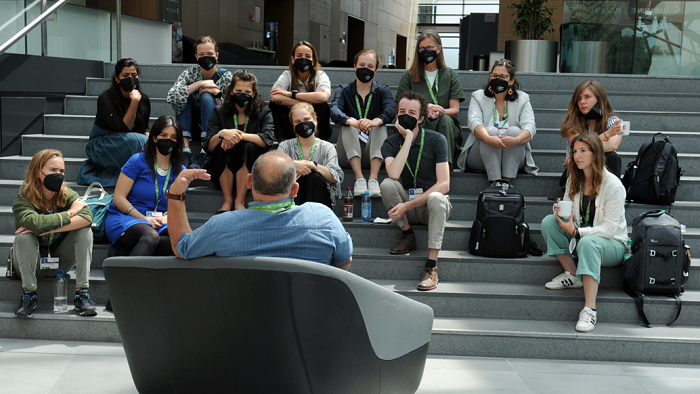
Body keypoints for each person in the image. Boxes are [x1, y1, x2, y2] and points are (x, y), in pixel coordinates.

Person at [166, 151, 353, 270]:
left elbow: (181, 247)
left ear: (249, 182)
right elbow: (344, 261)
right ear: (295, 190)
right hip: (309, 324)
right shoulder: (324, 219)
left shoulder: (221, 226)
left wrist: (175, 195)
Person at [541, 133, 628, 332]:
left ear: (595, 153)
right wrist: (561, 214)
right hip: (581, 235)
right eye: (574, 151)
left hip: (612, 243)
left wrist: (578, 232)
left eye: (583, 151)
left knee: (589, 243)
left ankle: (590, 310)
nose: (577, 156)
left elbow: (609, 229)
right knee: (548, 222)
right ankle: (573, 275)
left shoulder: (613, 185)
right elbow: (569, 214)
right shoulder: (574, 179)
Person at [12, 149, 97, 318]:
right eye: (53, 170)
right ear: (38, 171)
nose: (58, 174)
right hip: (31, 265)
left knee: (85, 231)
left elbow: (87, 217)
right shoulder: (24, 198)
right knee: (24, 236)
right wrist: (69, 214)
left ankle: (82, 294)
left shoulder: (67, 195)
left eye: (62, 171)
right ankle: (29, 294)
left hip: (59, 262)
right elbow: (33, 223)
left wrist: (49, 227)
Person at [380, 91, 451, 291]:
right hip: (407, 209)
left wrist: (407, 205)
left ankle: (431, 266)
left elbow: (444, 184)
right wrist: (408, 138)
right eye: (402, 111)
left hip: (430, 208)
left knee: (437, 197)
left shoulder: (437, 140)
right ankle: (408, 235)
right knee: (386, 184)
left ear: (421, 118)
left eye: (412, 113)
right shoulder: (391, 143)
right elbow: (393, 174)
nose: (406, 116)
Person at [105, 115, 186, 257]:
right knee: (151, 237)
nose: (169, 140)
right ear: (154, 138)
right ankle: (127, 277)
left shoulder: (181, 171)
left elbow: (180, 205)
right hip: (127, 216)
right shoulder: (137, 161)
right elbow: (118, 198)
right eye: (164, 135)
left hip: (160, 221)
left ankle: (124, 253)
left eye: (173, 137)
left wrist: (166, 218)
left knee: (181, 243)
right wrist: (145, 219)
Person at [203, 70, 276, 213]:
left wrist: (236, 136)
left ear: (254, 93)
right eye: (238, 90)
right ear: (231, 91)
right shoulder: (219, 111)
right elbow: (209, 146)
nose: (243, 94)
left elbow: (266, 140)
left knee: (248, 146)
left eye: (247, 91)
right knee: (221, 146)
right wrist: (222, 134)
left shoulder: (264, 112)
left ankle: (240, 201)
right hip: (222, 169)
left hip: (252, 173)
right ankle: (227, 200)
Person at [457, 59, 538, 181]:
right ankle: (495, 182)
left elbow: (530, 127)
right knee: (490, 131)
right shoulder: (478, 96)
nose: (498, 79)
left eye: (503, 76)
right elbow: (474, 122)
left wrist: (515, 140)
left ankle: (506, 182)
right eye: (494, 76)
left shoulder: (523, 99)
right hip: (480, 156)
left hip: (513, 155)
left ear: (511, 81)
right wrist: (488, 139)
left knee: (516, 131)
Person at [330, 48, 395, 197]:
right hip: (347, 153)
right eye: (362, 65)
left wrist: (374, 122)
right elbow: (334, 110)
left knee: (380, 125)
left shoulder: (382, 90)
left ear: (376, 70)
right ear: (354, 66)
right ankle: (359, 178)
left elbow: (391, 110)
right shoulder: (344, 90)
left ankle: (373, 179)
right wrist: (353, 122)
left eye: (370, 66)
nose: (365, 69)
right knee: (348, 125)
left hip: (373, 152)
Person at [395, 30, 464, 167]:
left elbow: (455, 110)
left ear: (439, 49)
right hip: (417, 119)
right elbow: (399, 107)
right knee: (415, 120)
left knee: (445, 120)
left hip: (444, 121)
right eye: (422, 48)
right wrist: (426, 110)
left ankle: (445, 167)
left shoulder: (450, 74)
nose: (426, 51)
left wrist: (439, 111)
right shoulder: (409, 75)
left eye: (430, 48)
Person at [77, 58, 150, 187]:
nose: (130, 78)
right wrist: (134, 102)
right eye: (125, 75)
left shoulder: (143, 100)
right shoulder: (105, 99)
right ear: (117, 79)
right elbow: (122, 129)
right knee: (139, 141)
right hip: (101, 144)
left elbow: (141, 129)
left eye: (134, 75)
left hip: (128, 141)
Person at [167, 36, 232, 168]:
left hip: (214, 129)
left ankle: (205, 151)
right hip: (191, 125)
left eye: (210, 54)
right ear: (196, 57)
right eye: (202, 54)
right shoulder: (190, 73)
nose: (206, 57)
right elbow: (172, 97)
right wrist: (199, 84)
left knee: (206, 94)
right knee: (186, 95)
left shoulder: (227, 77)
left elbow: (231, 110)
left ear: (217, 55)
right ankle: (185, 151)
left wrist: (216, 95)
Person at [278, 103, 343, 209]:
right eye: (297, 122)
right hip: (292, 197)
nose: (303, 124)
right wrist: (292, 165)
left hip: (319, 197)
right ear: (293, 125)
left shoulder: (327, 147)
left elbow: (336, 176)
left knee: (314, 177)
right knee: (295, 179)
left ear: (315, 120)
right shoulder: (284, 146)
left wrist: (313, 165)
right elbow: (275, 171)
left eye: (307, 119)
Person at [560, 80, 625, 181]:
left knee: (612, 157)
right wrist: (607, 135)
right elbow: (580, 146)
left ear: (599, 98)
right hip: (577, 171)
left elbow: (613, 145)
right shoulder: (572, 122)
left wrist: (585, 149)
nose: (582, 102)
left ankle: (611, 194)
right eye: (579, 99)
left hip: (601, 169)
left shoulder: (613, 121)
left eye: (587, 97)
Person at [269, 41, 332, 142]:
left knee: (322, 106)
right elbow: (274, 97)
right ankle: (283, 142)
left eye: (307, 56)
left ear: (313, 60)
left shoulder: (320, 75)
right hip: (292, 121)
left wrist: (291, 94)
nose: (303, 59)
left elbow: (323, 97)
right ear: (293, 59)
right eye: (299, 55)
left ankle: (319, 143)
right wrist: (308, 101)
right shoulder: (287, 75)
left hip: (312, 120)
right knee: (275, 105)